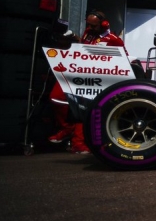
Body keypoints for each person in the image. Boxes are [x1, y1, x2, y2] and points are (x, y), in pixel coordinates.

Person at [48, 10, 126, 154]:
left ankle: (78, 143)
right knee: (56, 97)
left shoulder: (113, 39)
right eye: (88, 24)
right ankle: (67, 129)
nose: (90, 27)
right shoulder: (88, 33)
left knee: (83, 107)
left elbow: (124, 60)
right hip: (77, 72)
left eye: (93, 25)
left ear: (104, 24)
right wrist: (74, 38)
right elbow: (83, 47)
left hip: (95, 79)